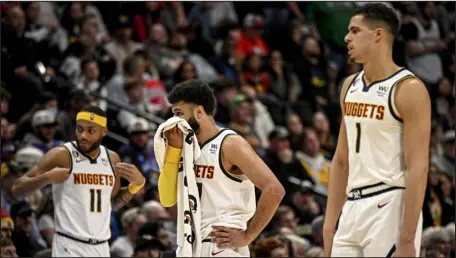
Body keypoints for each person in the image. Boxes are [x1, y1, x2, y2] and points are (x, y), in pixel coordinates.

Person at [323, 4, 431, 257]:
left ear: (378, 34)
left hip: (391, 203)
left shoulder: (409, 89)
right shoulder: (349, 85)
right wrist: (329, 224)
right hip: (352, 206)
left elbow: (419, 167)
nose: (347, 37)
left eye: (355, 31)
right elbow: (340, 161)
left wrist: (407, 238)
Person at [158, 79, 285, 257]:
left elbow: (274, 189)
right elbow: (167, 200)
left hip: (220, 243)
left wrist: (248, 236)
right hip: (190, 244)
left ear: (199, 112)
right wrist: (173, 151)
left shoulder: (230, 144)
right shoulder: (184, 149)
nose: (174, 121)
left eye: (179, 114)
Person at [11, 106, 146, 257]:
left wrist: (135, 186)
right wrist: (47, 178)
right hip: (69, 245)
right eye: (79, 129)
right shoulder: (61, 155)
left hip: (101, 247)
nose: (83, 135)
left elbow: (112, 203)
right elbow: (17, 190)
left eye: (90, 131)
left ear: (104, 131)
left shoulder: (112, 159)